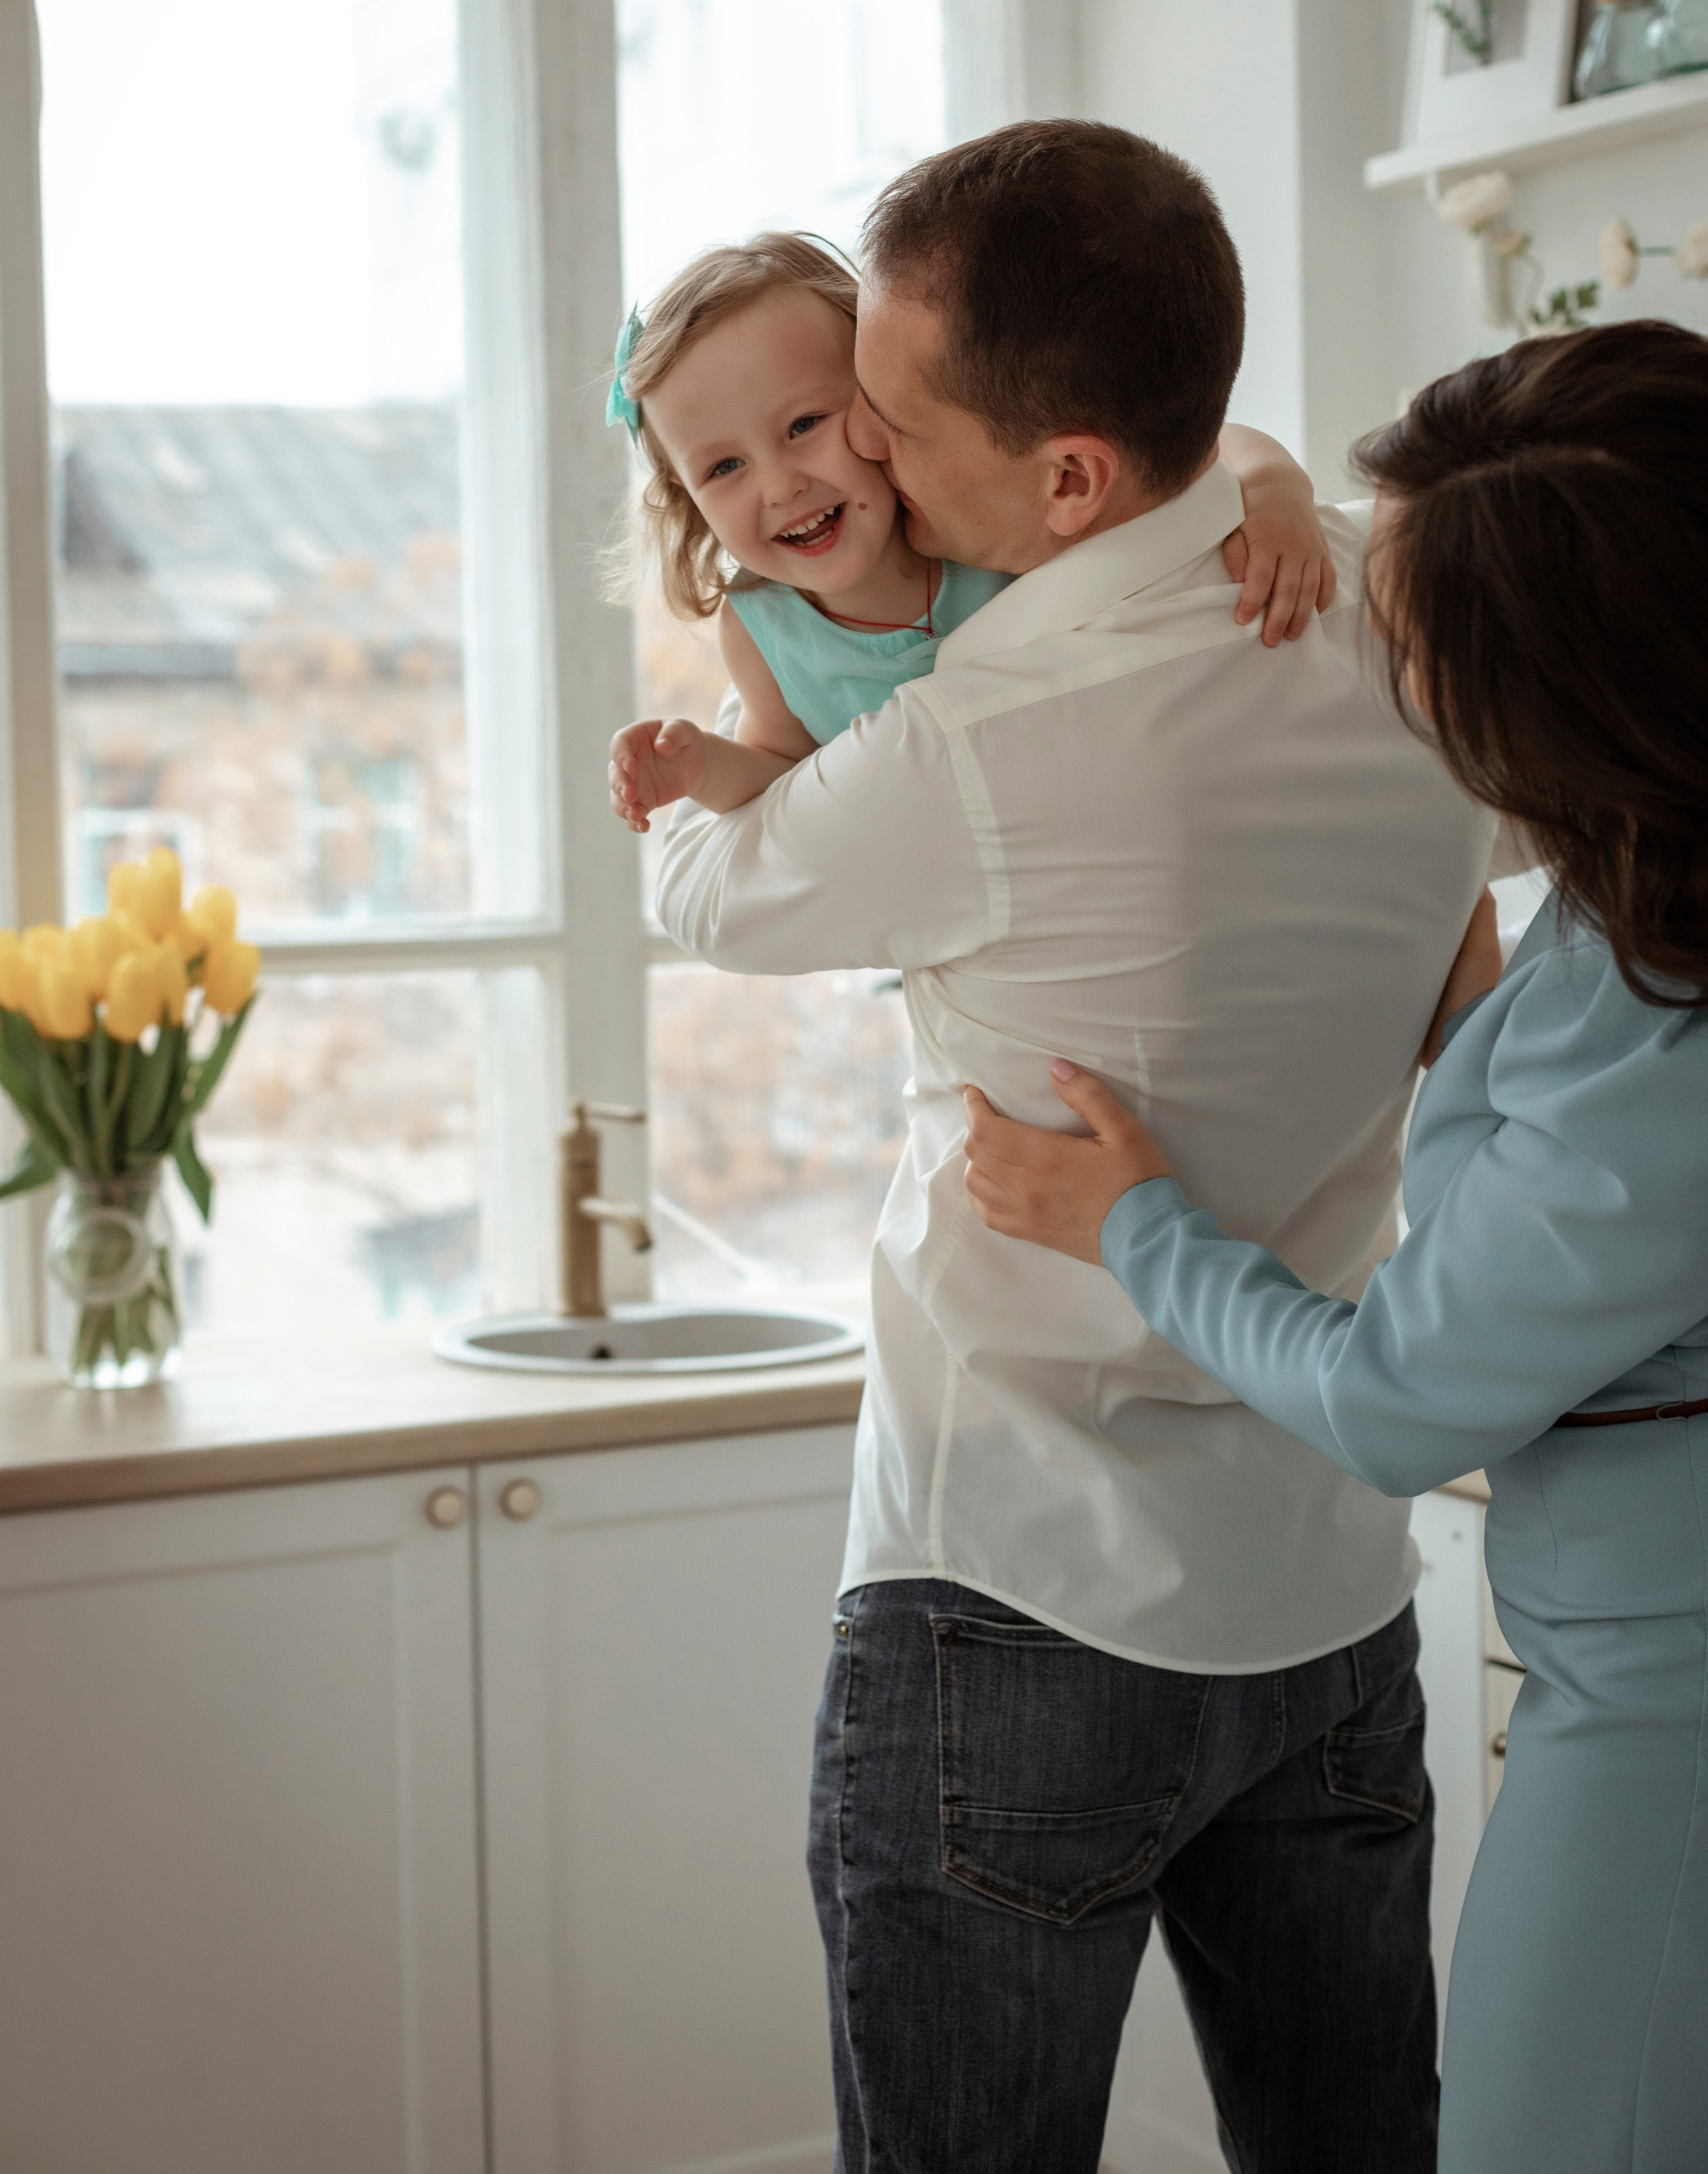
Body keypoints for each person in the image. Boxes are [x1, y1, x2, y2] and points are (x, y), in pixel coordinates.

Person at [653, 120, 1497, 2174]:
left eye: (893, 414)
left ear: (1065, 474)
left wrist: (702, 758)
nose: (857, 453)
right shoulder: (1411, 618)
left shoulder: (960, 748)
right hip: (1323, 1587)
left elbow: (715, 895)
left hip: (1011, 1584)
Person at [961, 318, 1708, 2174]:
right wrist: (1265, 477)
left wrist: (1131, 1221)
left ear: (1558, 685)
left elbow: (1392, 1394)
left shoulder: (1663, 1020)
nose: (1394, 671)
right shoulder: (1631, 902)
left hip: (1666, 1724)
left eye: (1424, 643)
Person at [601, 230, 1332, 832]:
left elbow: (1192, 447)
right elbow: (782, 772)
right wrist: (700, 768)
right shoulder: (762, 629)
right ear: (686, 500)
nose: (780, 484)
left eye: (804, 425)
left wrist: (1272, 487)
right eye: (724, 467)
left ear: (878, 401)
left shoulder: (970, 524)